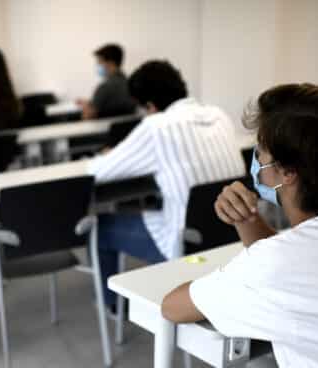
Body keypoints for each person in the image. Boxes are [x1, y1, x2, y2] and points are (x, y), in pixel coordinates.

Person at [161, 84, 318, 367]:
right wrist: (248, 220)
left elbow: (173, 306)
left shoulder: (279, 263)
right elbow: (294, 262)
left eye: (261, 152)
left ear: (288, 173)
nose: (256, 160)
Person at [88, 60, 245, 313]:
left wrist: (107, 154)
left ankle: (112, 306)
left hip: (184, 245)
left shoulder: (156, 126)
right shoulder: (219, 114)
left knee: (102, 227)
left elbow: (100, 171)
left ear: (149, 105)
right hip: (231, 236)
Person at [77, 44, 137, 119]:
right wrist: (90, 103)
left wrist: (86, 107)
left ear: (110, 63)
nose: (97, 65)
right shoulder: (131, 84)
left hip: (103, 129)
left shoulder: (104, 87)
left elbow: (88, 117)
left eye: (99, 62)